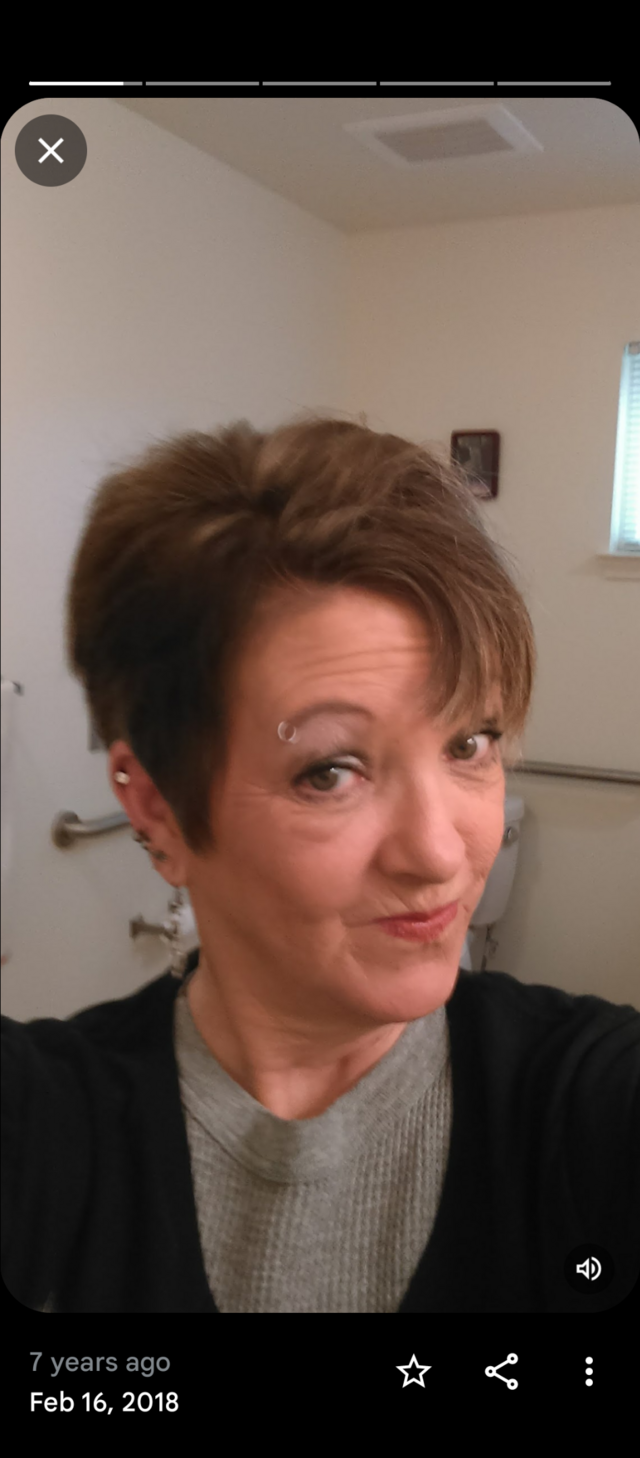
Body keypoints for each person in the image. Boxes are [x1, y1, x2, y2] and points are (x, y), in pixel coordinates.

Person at [2, 413, 638, 1313]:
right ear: (157, 809)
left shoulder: (585, 1103)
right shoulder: (41, 1129)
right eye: (331, 771)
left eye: (470, 743)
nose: (441, 851)